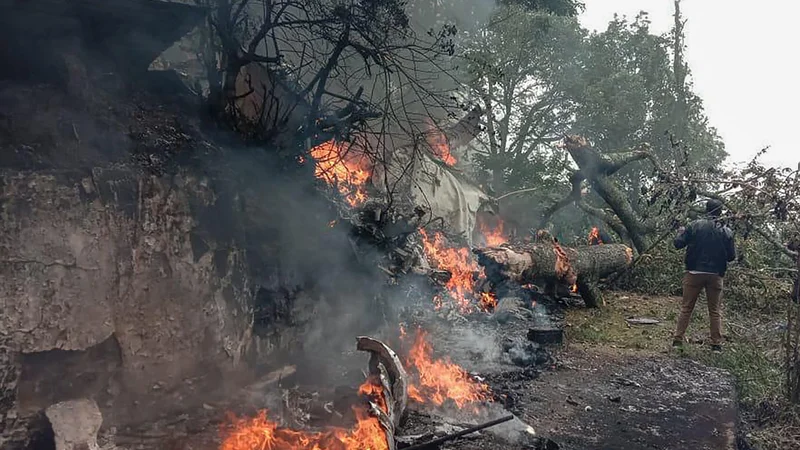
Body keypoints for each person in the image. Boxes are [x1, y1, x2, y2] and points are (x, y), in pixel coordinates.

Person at [672, 199, 736, 351]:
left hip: (694, 272)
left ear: (706, 210)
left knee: (686, 308)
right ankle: (716, 344)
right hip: (715, 275)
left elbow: (678, 244)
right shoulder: (727, 231)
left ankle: (677, 340)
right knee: (714, 311)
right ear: (721, 212)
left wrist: (680, 232)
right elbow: (731, 257)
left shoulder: (694, 225)